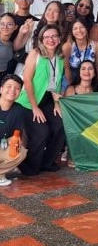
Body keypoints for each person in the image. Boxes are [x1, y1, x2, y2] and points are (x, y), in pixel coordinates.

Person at [17, 25, 65, 176]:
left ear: (59, 38)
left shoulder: (60, 57)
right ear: (42, 39)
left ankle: (47, 162)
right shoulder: (36, 53)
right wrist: (34, 107)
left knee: (60, 124)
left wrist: (57, 104)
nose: (50, 40)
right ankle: (30, 166)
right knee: (41, 132)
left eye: (54, 36)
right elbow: (27, 80)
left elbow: (55, 84)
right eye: (47, 37)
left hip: (47, 100)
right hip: (28, 102)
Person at [62, 60, 98, 167]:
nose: (86, 71)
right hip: (74, 126)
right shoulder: (71, 89)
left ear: (95, 73)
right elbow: (67, 112)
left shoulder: (97, 91)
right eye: (83, 68)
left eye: (90, 68)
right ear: (79, 72)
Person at [0, 74, 28, 186]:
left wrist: (15, 141)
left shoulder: (19, 110)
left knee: (20, 152)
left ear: (20, 93)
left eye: (17, 88)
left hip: (2, 145)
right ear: (1, 89)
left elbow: (16, 134)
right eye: (9, 86)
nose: (13, 90)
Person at [62, 18, 98, 86]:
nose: (79, 30)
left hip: (89, 78)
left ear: (86, 28)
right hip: (72, 78)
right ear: (72, 31)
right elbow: (66, 68)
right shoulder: (67, 46)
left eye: (82, 27)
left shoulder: (96, 45)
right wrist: (71, 86)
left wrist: (97, 84)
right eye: (75, 28)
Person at [10, 0, 39, 72]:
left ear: (32, 1)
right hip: (8, 59)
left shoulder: (36, 22)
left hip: (26, 61)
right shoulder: (8, 19)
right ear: (15, 1)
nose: (24, 0)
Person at [0, 13, 32, 80]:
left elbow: (19, 45)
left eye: (10, 24)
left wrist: (28, 29)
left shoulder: (10, 44)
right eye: (2, 24)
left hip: (4, 78)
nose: (5, 27)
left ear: (15, 27)